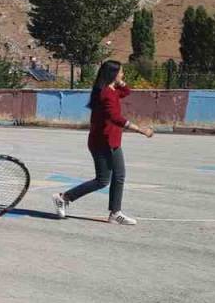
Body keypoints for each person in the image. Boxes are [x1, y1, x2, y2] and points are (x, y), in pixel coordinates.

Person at [52, 60, 154, 225]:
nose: (123, 75)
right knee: (102, 180)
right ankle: (63, 198)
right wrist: (140, 129)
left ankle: (115, 213)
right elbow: (115, 118)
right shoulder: (106, 93)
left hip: (112, 141)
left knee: (119, 175)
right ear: (113, 74)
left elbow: (126, 91)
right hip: (102, 142)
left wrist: (121, 82)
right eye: (121, 72)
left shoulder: (111, 90)